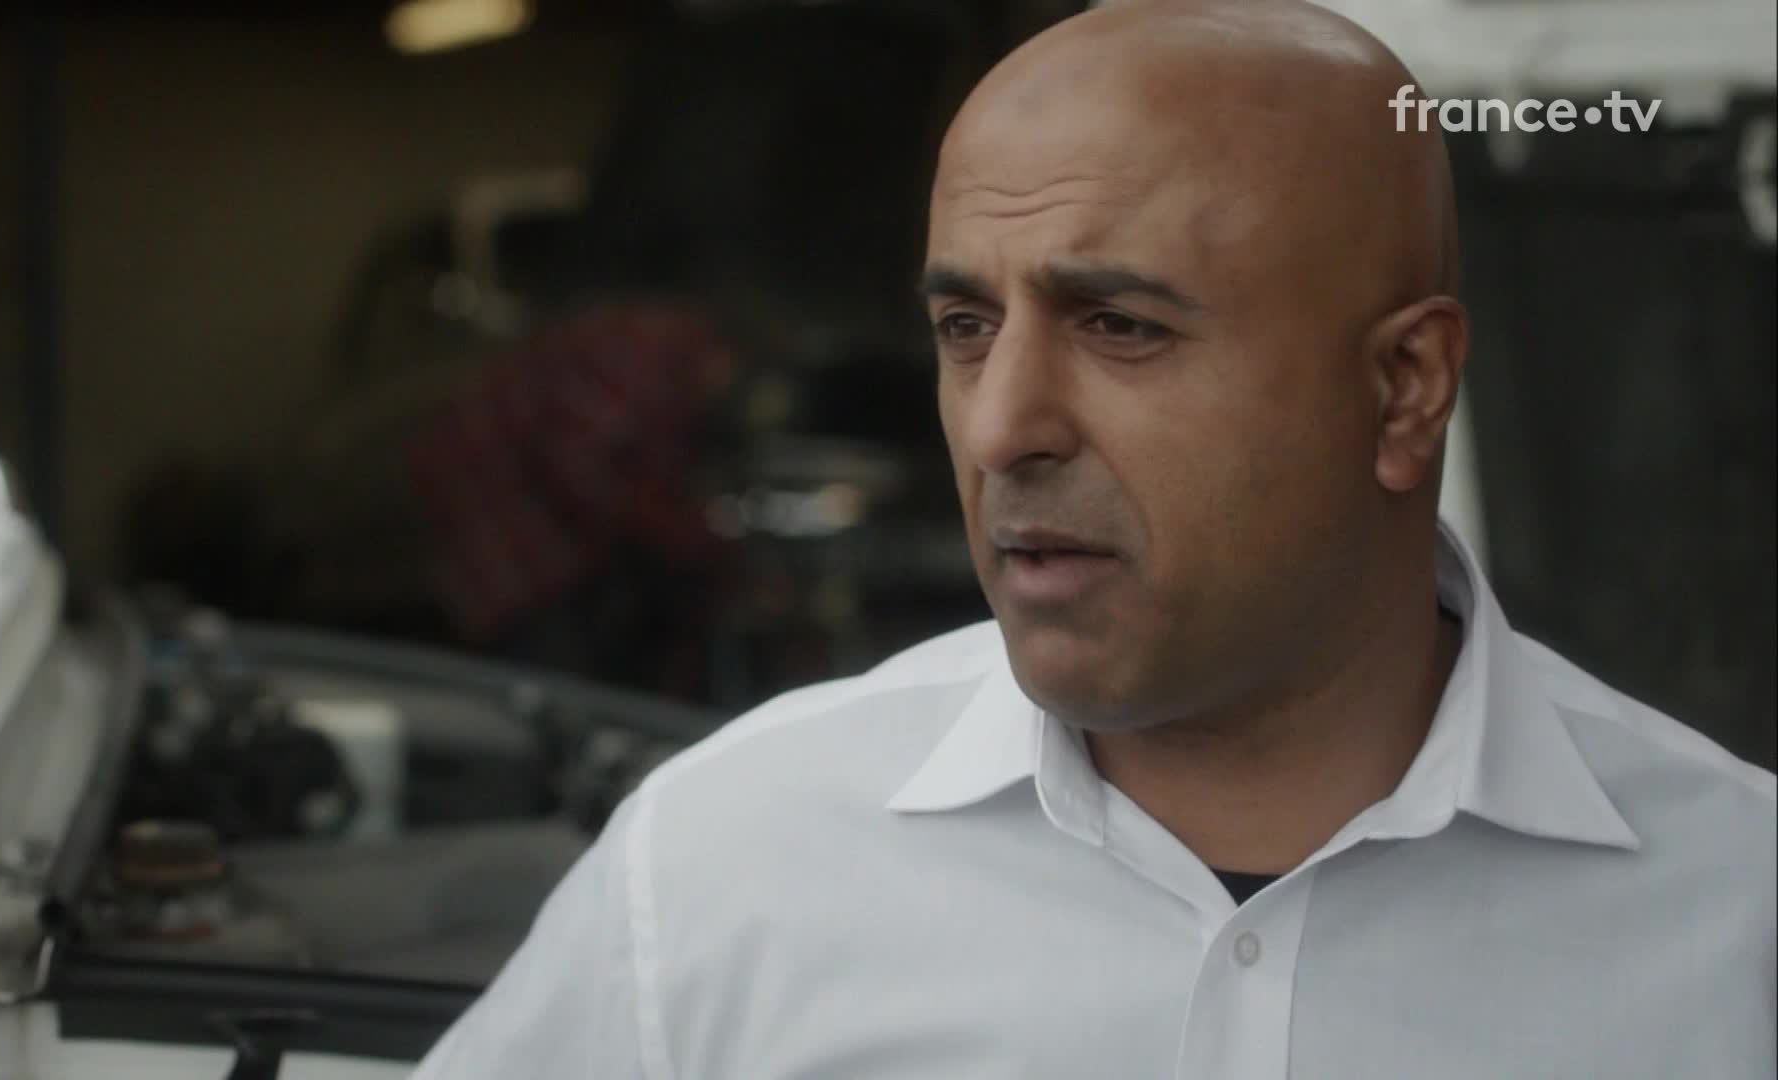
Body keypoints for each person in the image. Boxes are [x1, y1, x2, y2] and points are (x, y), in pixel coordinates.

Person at [410, 2, 1776, 1076]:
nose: (1001, 428)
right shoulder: (722, 865)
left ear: (1404, 387)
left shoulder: (1735, 920)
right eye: (965, 328)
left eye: (1121, 326)